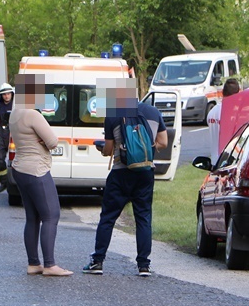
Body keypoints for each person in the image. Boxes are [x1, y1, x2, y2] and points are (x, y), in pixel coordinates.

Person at [83, 78, 168, 276]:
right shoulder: (153, 112)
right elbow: (163, 142)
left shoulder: (113, 114)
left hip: (121, 172)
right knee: (143, 217)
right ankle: (144, 265)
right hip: (145, 172)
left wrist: (103, 149)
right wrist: (144, 149)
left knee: (108, 217)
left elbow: (109, 150)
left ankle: (97, 261)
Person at [9, 74, 72, 276]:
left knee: (32, 217)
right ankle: (50, 265)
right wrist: (44, 141)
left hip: (20, 168)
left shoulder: (14, 113)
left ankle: (33, 263)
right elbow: (53, 142)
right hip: (37, 169)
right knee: (51, 215)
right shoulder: (33, 115)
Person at [207, 78, 241, 161]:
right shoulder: (233, 113)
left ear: (222, 92)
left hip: (215, 160)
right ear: (238, 94)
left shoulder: (212, 112)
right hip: (228, 160)